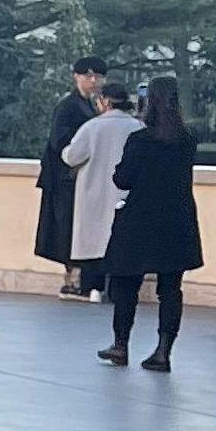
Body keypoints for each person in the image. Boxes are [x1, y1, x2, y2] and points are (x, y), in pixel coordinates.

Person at [99, 74, 202, 372]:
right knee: (171, 289)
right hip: (178, 220)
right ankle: (163, 351)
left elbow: (123, 179)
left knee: (126, 283)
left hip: (140, 220)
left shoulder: (140, 141)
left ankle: (120, 344)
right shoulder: (187, 140)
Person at [60, 77, 140, 300]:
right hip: (126, 194)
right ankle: (116, 291)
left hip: (93, 193)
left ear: (104, 101)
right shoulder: (137, 128)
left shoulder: (92, 127)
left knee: (93, 244)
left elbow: (71, 156)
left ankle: (92, 288)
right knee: (120, 245)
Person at [38, 57, 106, 297]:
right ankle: (72, 278)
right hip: (64, 178)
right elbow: (60, 142)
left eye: (97, 76)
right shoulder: (68, 106)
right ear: (76, 76)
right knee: (66, 229)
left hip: (81, 178)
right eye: (88, 75)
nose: (93, 80)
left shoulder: (92, 106)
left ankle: (79, 278)